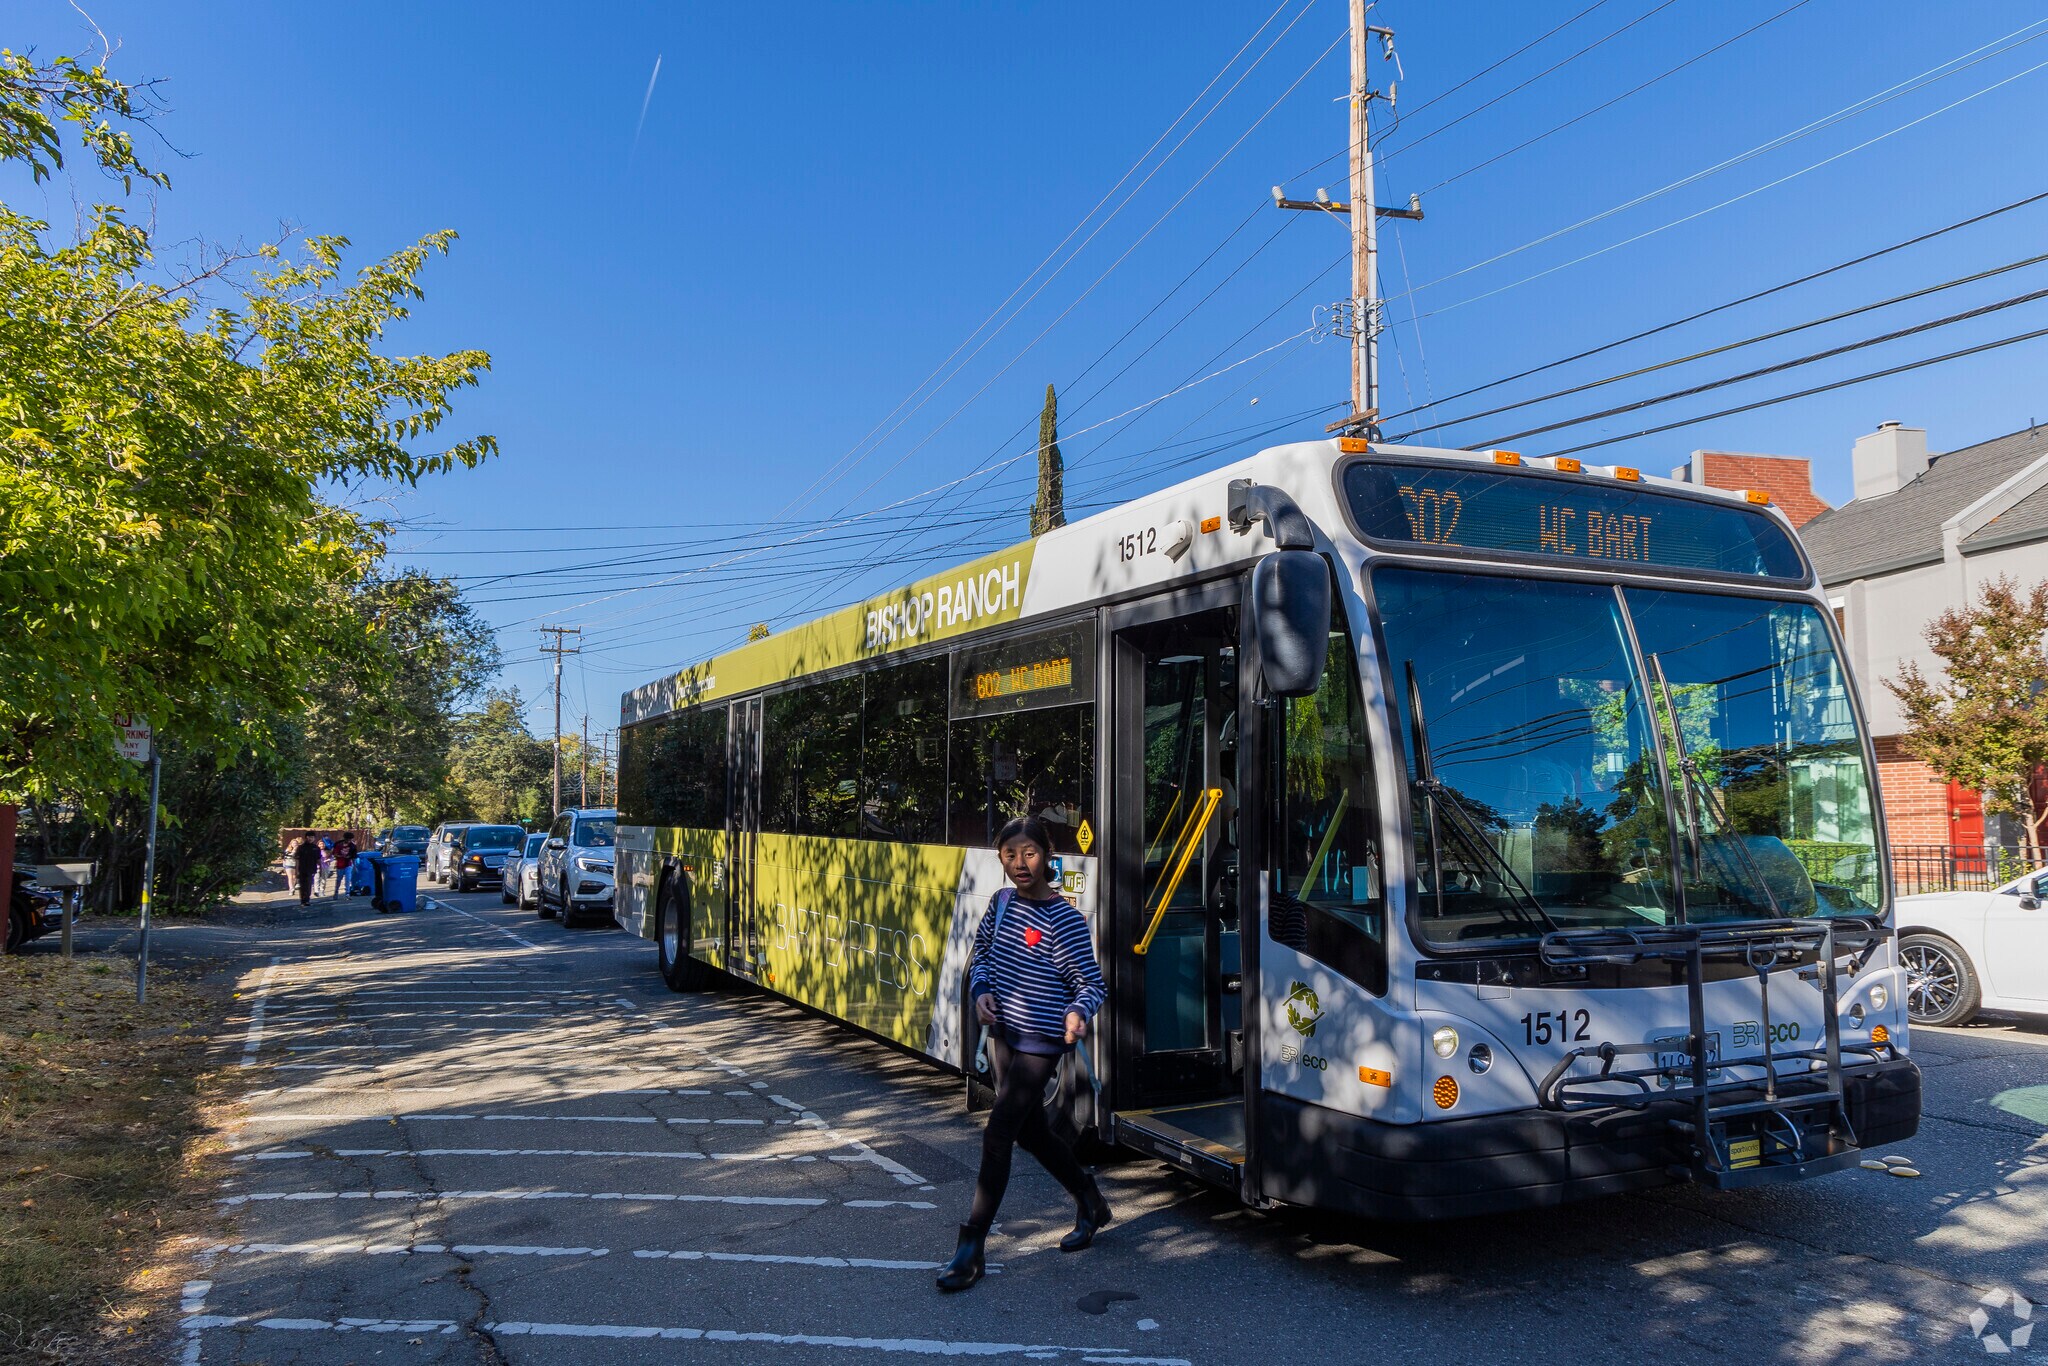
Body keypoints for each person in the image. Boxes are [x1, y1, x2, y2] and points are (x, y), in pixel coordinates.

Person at [936, 815, 1111, 1294]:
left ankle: (971, 1248)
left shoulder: (1064, 918)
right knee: (1031, 1132)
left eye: (1029, 853)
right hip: (1004, 1035)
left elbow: (1092, 984)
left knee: (998, 1133)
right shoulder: (1002, 903)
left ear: (1048, 855)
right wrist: (980, 992)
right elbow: (983, 953)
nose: (1020, 864)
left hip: (1041, 1041)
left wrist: (1078, 1011)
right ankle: (1090, 1199)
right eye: (1010, 855)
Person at [290, 834, 321, 906]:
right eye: (309, 837)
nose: (310, 839)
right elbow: (297, 859)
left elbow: (318, 859)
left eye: (312, 837)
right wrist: (296, 870)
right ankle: (303, 900)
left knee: (309, 884)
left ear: (314, 838)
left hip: (311, 869)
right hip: (302, 868)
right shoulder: (301, 848)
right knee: (303, 885)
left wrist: (321, 868)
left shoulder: (316, 848)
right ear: (306, 838)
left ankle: (307, 899)